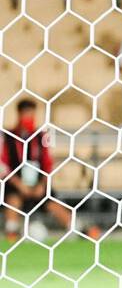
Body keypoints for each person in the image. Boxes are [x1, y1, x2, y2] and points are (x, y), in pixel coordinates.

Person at [2, 99, 80, 242]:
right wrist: (19, 184)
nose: (28, 117)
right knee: (13, 200)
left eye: (31, 114)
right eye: (26, 113)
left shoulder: (41, 136)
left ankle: (76, 230)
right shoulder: (8, 136)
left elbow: (47, 163)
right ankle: (11, 231)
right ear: (19, 114)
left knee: (52, 203)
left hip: (38, 182)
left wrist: (42, 184)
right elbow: (4, 165)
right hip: (15, 183)